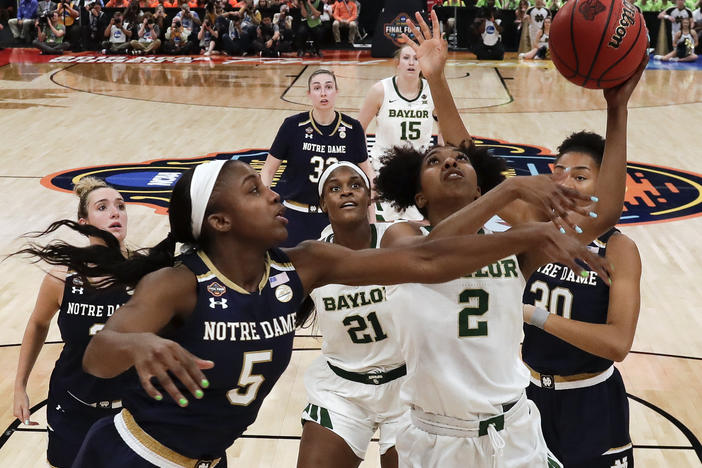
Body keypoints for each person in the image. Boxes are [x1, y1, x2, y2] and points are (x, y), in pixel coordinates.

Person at [18, 159, 608, 467]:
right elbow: (98, 352)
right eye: (254, 191)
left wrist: (525, 233)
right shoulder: (178, 283)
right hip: (132, 457)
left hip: (204, 458)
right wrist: (138, 344)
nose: (274, 193)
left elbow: (428, 260)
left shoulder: (302, 265)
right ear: (219, 223)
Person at [372, 11, 645, 468]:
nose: (451, 162)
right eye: (435, 160)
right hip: (436, 432)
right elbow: (432, 254)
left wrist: (616, 111)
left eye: (460, 160)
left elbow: (602, 214)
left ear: (480, 186)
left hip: (512, 430)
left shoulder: (514, 245)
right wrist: (510, 188)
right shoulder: (401, 237)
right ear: (417, 193)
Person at [521, 132, 642, 468]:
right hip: (530, 395)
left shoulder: (619, 249)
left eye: (581, 176)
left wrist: (535, 316)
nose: (568, 184)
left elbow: (618, 344)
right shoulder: (537, 231)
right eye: (560, 173)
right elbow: (479, 170)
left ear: (606, 184)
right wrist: (439, 81)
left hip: (591, 401)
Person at [12, 177, 132, 468]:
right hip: (72, 405)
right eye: (102, 207)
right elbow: (38, 325)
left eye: (120, 206)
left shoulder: (147, 275)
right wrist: (20, 386)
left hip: (131, 411)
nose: (115, 212)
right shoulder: (61, 277)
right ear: (83, 222)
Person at [261, 69, 374, 247]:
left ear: (336, 91)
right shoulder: (293, 126)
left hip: (336, 217)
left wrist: (372, 221)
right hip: (294, 215)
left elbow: (367, 177)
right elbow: (268, 170)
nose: (323, 92)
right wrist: (264, 208)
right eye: (317, 88)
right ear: (309, 94)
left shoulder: (353, 128)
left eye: (328, 87)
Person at [357, 44, 437, 221]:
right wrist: (368, 170)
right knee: (382, 227)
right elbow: (358, 130)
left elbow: (445, 127)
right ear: (398, 63)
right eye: (406, 58)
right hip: (384, 170)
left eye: (416, 58)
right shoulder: (380, 90)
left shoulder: (433, 91)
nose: (411, 63)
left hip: (418, 171)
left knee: (420, 228)